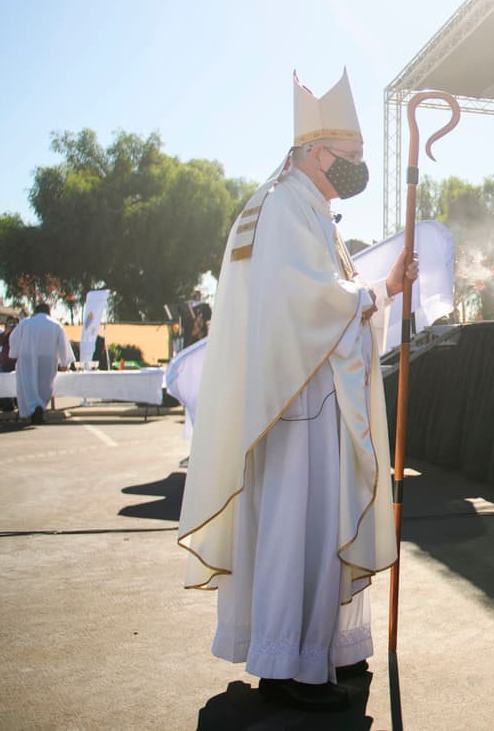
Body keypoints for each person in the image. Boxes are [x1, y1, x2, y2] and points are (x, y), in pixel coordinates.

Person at [177, 68, 415, 713]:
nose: (357, 167)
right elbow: (311, 301)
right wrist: (376, 293)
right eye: (350, 155)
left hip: (301, 396)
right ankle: (287, 665)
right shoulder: (285, 205)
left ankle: (325, 652)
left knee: (309, 527)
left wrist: (381, 289)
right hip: (296, 403)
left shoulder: (301, 205)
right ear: (316, 152)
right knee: (294, 529)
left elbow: (326, 295)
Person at [10, 303, 76, 424]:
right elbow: (63, 343)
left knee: (28, 384)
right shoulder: (56, 325)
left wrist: (14, 353)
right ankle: (39, 407)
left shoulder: (25, 323)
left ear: (35, 311)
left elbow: (13, 338)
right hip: (48, 358)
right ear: (49, 312)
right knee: (45, 385)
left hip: (27, 357)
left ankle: (33, 408)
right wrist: (64, 362)